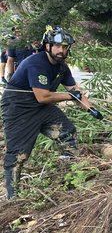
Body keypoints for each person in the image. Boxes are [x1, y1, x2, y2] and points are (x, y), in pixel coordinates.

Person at [2, 26, 92, 199]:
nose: (61, 50)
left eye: (65, 47)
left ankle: (69, 177)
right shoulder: (36, 63)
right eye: (57, 46)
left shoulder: (62, 67)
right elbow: (43, 96)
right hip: (18, 108)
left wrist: (91, 109)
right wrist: (71, 96)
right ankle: (12, 198)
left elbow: (75, 91)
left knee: (67, 132)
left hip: (41, 108)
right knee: (18, 155)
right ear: (48, 46)